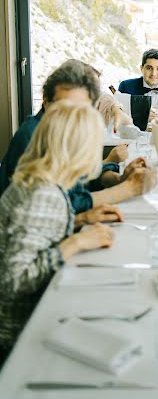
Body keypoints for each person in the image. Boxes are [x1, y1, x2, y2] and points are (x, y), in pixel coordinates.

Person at [0, 101, 122, 362]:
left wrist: (81, 220)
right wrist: (75, 243)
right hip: (22, 333)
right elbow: (14, 280)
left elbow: (36, 234)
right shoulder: (42, 195)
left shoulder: (41, 178)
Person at [0, 60, 153, 211]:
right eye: (65, 106)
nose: (75, 115)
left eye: (83, 109)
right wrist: (127, 190)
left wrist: (118, 178)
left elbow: (80, 180)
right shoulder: (32, 136)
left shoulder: (67, 130)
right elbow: (57, 205)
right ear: (46, 102)